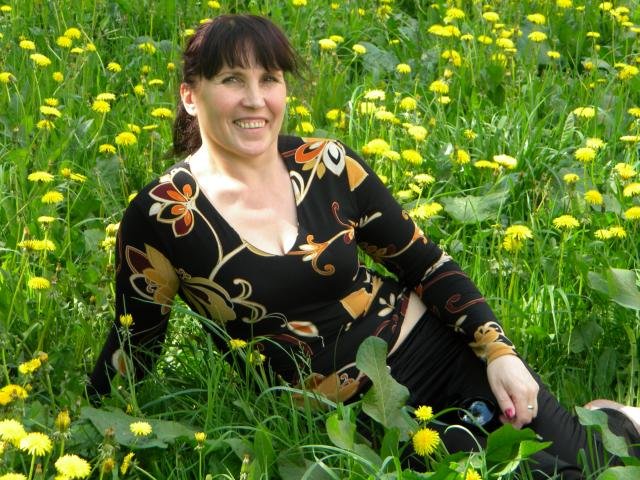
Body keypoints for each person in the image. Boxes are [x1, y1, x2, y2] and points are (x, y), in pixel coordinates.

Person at [88, 14, 640, 478]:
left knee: (597, 467)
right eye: (233, 79)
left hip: (435, 350)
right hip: (352, 420)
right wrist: (83, 424)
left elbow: (426, 264)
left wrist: (498, 352)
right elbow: (136, 343)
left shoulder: (327, 165)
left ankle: (614, 418)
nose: (255, 100)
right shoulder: (162, 216)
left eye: (270, 79)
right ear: (190, 95)